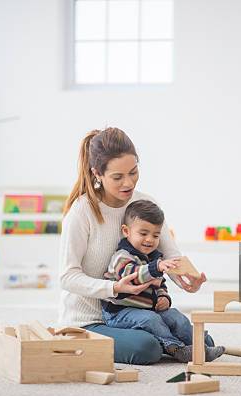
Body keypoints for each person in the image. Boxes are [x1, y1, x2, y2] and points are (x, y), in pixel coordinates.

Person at [58, 127, 211, 365]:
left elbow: (171, 257)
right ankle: (166, 346)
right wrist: (114, 288)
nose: (128, 183)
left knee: (205, 344)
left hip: (141, 312)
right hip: (89, 320)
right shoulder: (82, 212)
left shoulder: (145, 203)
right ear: (97, 173)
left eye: (133, 172)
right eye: (117, 177)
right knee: (146, 348)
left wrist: (187, 280)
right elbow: (67, 277)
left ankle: (171, 345)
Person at [101, 199, 225, 363]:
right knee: (151, 320)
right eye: (143, 233)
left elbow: (160, 284)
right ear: (126, 231)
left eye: (155, 235)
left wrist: (163, 297)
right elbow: (132, 274)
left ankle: (199, 346)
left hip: (149, 309)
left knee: (176, 316)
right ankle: (176, 348)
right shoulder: (122, 256)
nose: (150, 240)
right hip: (119, 312)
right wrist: (156, 267)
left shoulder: (154, 258)